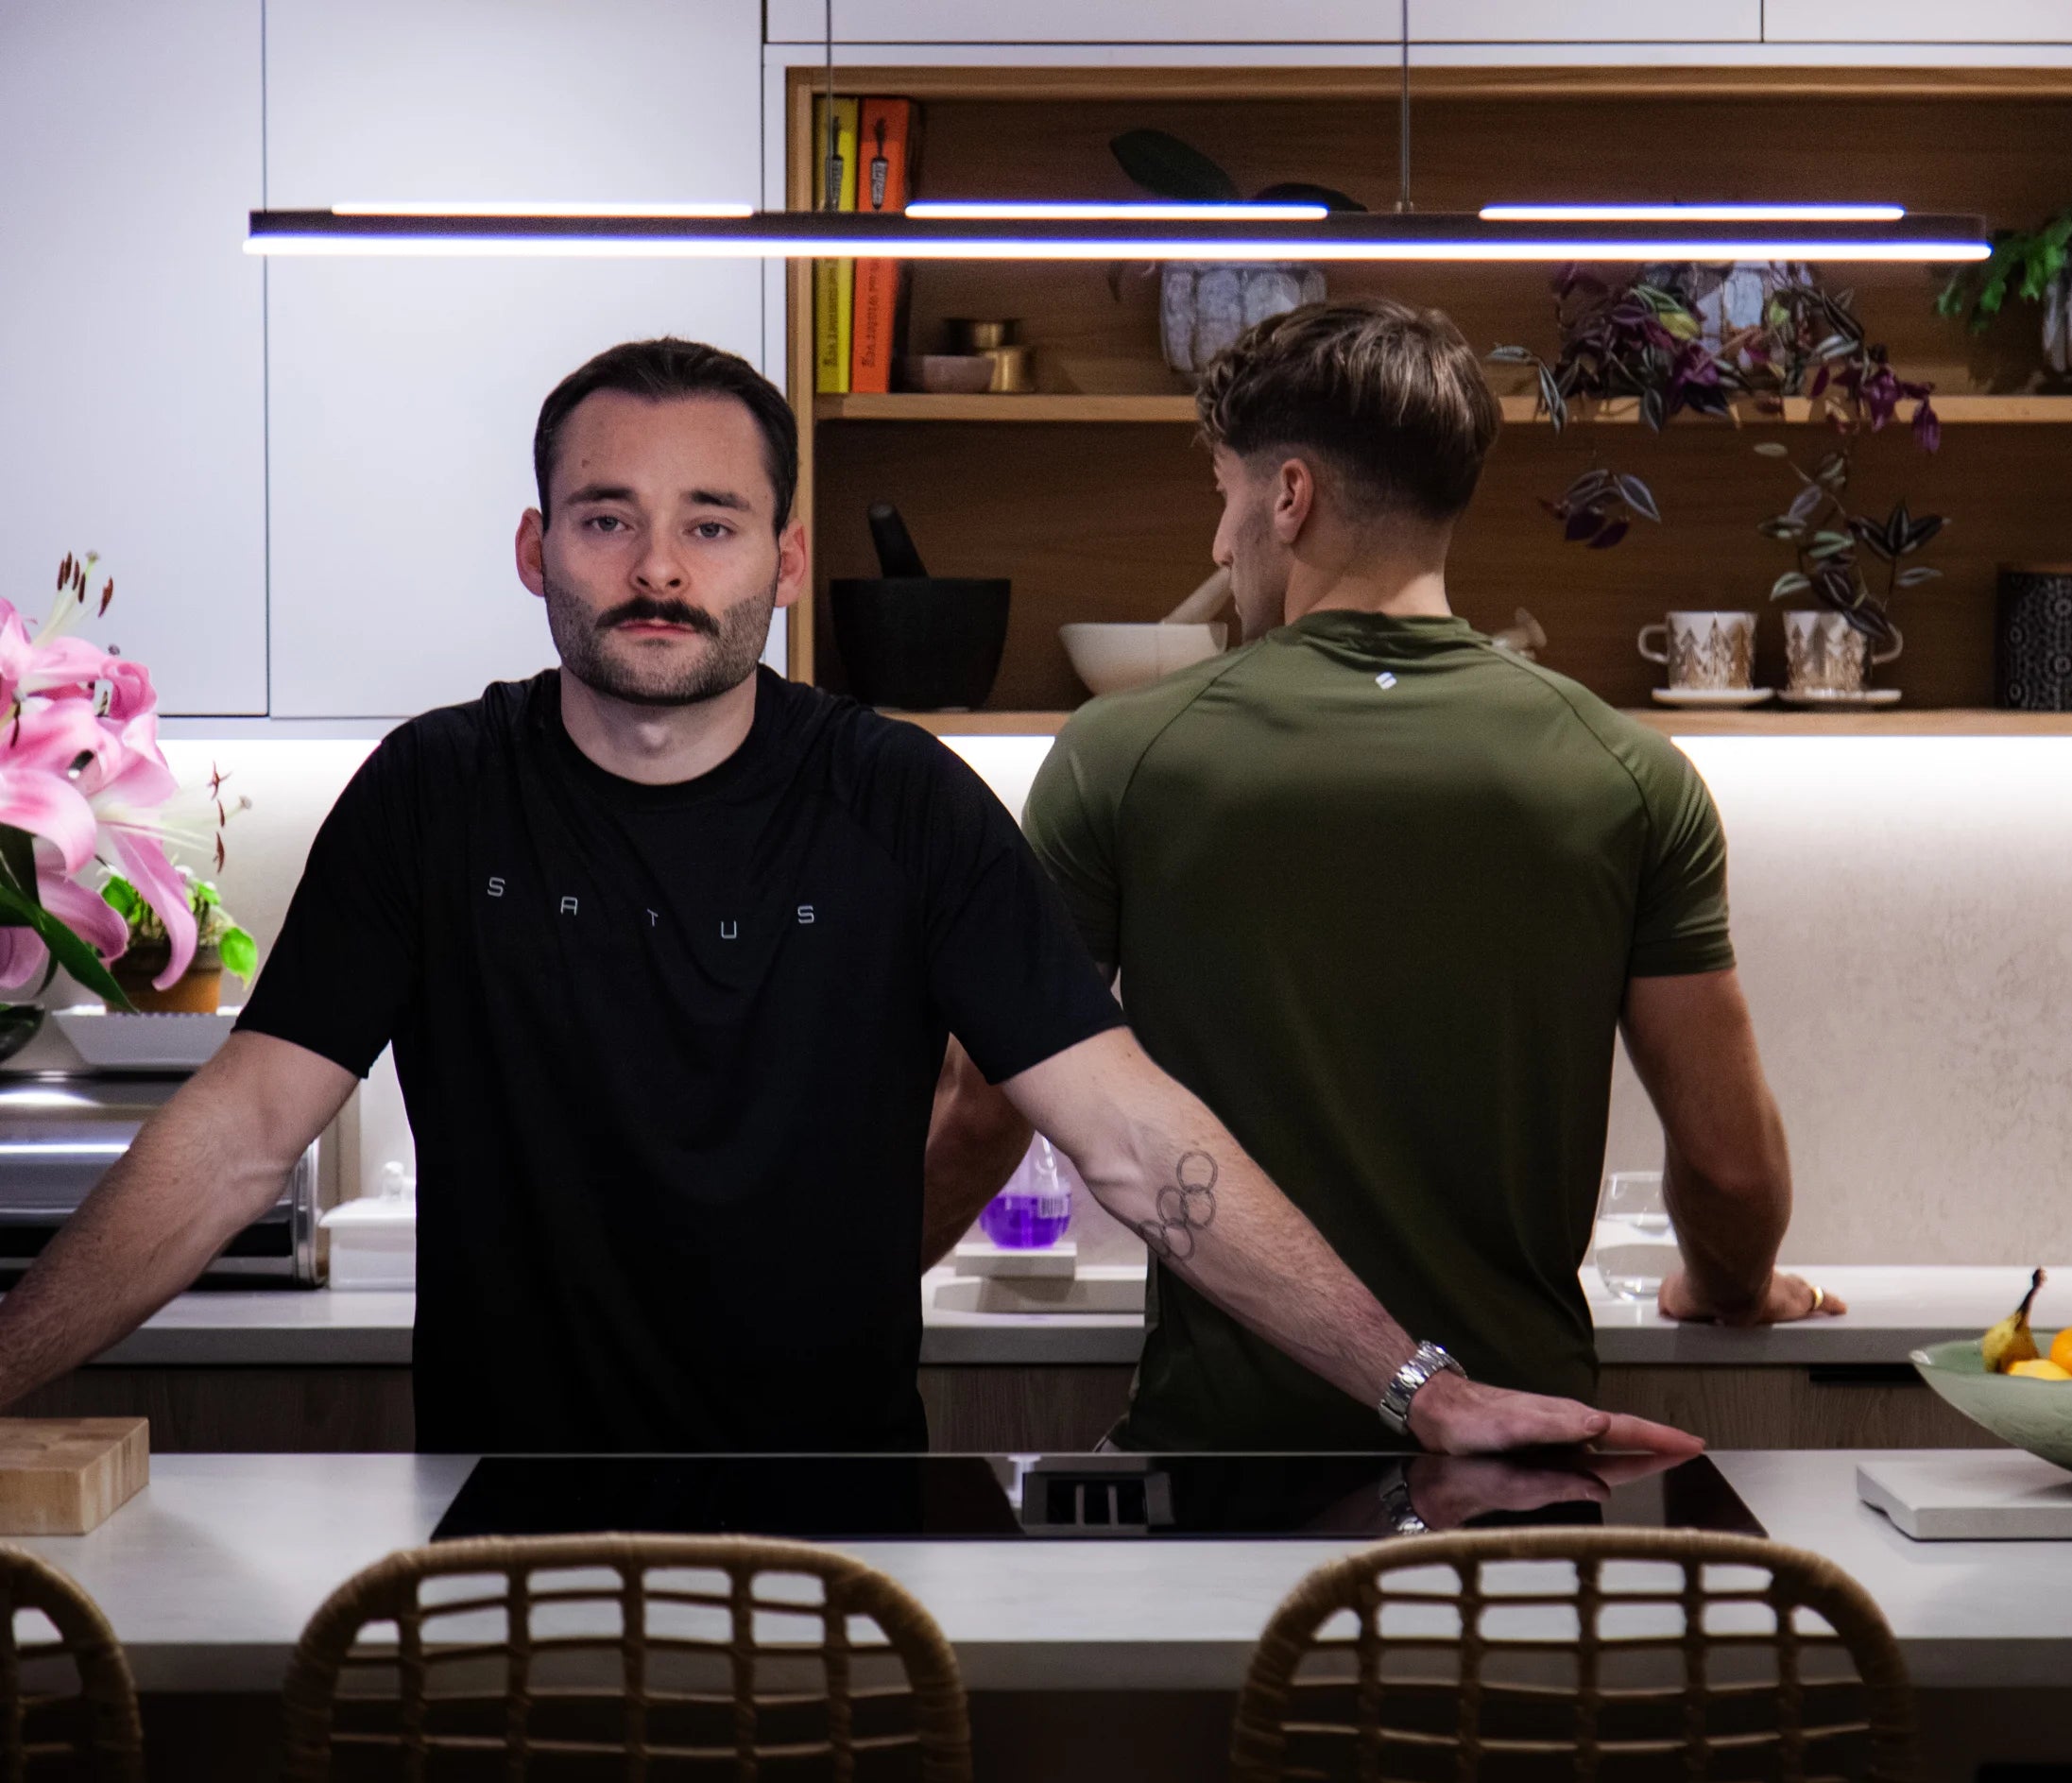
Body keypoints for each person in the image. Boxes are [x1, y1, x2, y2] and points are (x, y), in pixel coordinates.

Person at [0, 334, 1704, 1462]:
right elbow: (238, 1136)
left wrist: (1423, 1391)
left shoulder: (900, 803)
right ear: (537, 550)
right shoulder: (435, 797)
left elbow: (1130, 1138)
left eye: (712, 524)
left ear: (784, 564)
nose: (658, 568)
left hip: (843, 1545)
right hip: (499, 1528)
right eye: (607, 519)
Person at [937, 300, 1844, 1453]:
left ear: (1289, 497)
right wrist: (1731, 1288)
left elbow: (982, 1109)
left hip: (1227, 1461)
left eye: (1225, 498)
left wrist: (847, 1291)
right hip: (1524, 1453)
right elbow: (1724, 1162)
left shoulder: (1124, 754)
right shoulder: (1627, 772)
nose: (1220, 547)